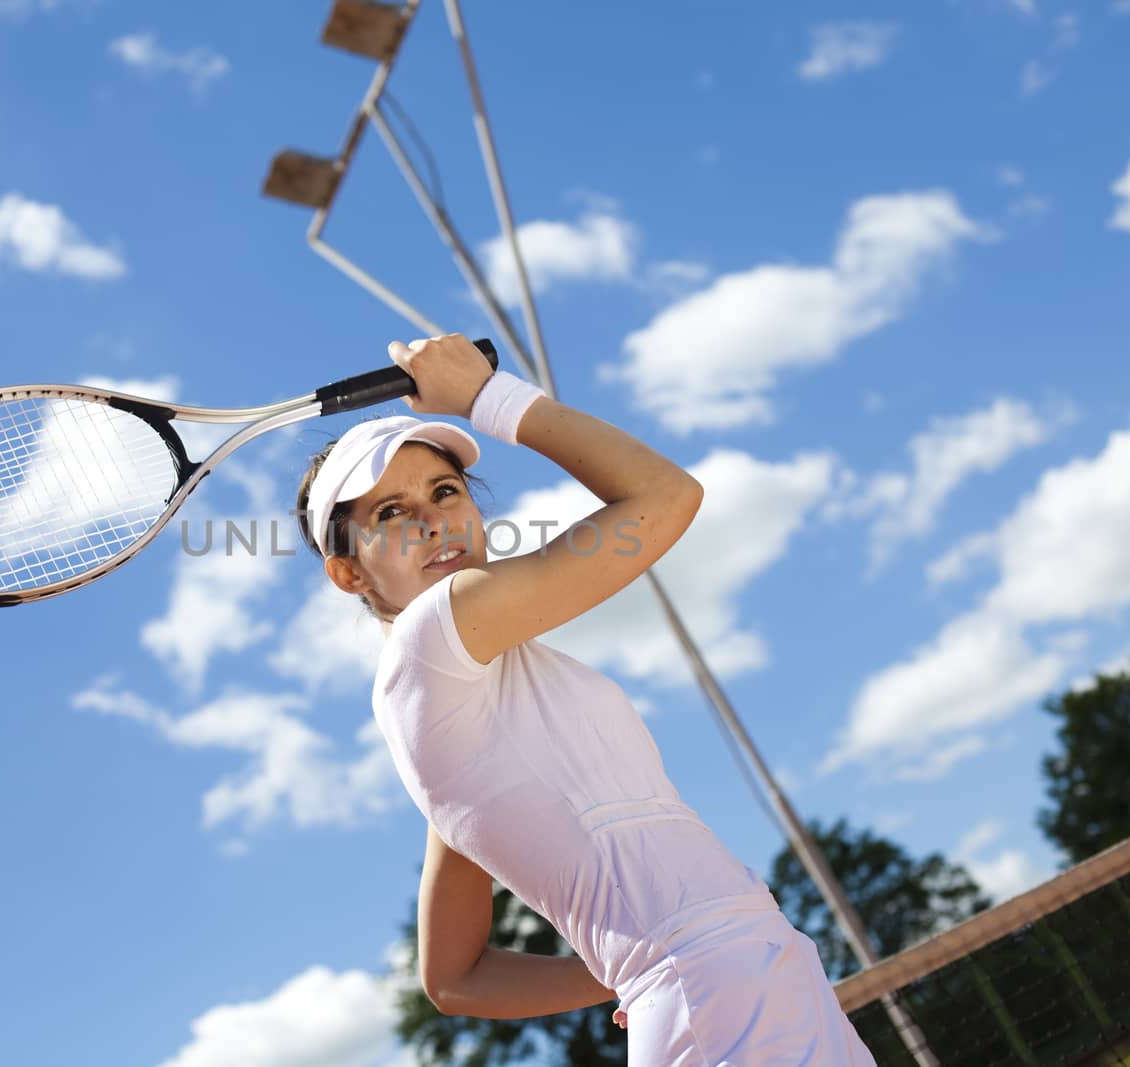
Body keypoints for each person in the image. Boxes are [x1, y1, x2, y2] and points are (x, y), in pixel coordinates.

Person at [295, 334, 875, 1066]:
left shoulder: (465, 711)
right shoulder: (428, 640)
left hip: (734, 977)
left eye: (446, 492)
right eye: (391, 512)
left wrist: (627, 972)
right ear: (349, 574)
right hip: (716, 985)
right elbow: (666, 496)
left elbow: (454, 976)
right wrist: (486, 397)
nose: (433, 519)